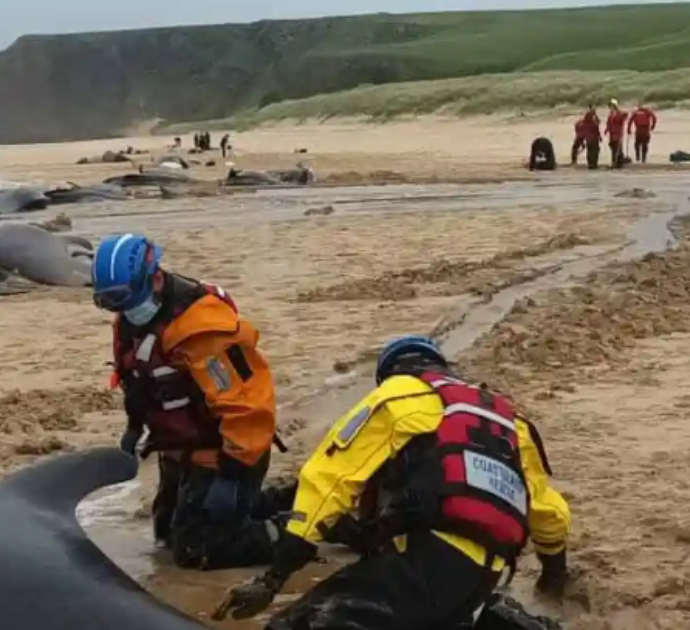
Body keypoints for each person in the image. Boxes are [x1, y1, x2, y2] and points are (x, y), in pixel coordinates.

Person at [213, 335, 572, 629]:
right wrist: (553, 577)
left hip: (431, 557)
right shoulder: (510, 421)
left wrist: (273, 578)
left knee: (303, 624)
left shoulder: (397, 394)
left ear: (390, 374)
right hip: (491, 570)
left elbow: (328, 478)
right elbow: (550, 514)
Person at [92, 233, 281, 570]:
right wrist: (134, 429)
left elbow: (246, 404)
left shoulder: (202, 332)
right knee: (165, 536)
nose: (119, 309)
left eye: (122, 298)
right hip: (180, 450)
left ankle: (295, 532)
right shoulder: (131, 320)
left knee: (198, 550)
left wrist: (232, 472)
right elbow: (137, 381)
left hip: (227, 452)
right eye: (108, 302)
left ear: (157, 278)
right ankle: (266, 505)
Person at [605, 99, 628, 169]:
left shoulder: (619, 113)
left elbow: (624, 117)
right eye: (610, 106)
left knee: (618, 148)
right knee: (613, 148)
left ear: (615, 106)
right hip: (612, 134)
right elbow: (609, 123)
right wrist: (607, 129)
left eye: (611, 105)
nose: (610, 107)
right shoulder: (611, 114)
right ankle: (615, 162)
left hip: (618, 133)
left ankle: (618, 163)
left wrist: (623, 116)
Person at [582, 104, 601, 170]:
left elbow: (597, 125)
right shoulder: (589, 115)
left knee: (596, 150)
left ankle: (594, 164)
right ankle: (591, 164)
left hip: (594, 136)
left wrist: (599, 136)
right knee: (591, 150)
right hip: (590, 136)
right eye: (593, 108)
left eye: (595, 108)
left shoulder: (595, 115)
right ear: (590, 108)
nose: (595, 109)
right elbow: (594, 124)